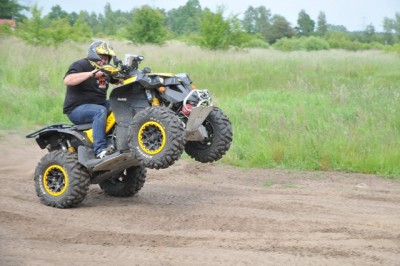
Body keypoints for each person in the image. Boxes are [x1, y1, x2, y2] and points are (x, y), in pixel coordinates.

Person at [63, 40, 117, 159]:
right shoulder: (81, 65)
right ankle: (100, 150)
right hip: (76, 109)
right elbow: (68, 80)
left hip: (99, 104)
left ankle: (116, 141)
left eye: (107, 58)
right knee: (100, 111)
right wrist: (91, 74)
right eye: (102, 57)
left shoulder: (106, 70)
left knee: (120, 103)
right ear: (94, 54)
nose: (104, 60)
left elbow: (120, 80)